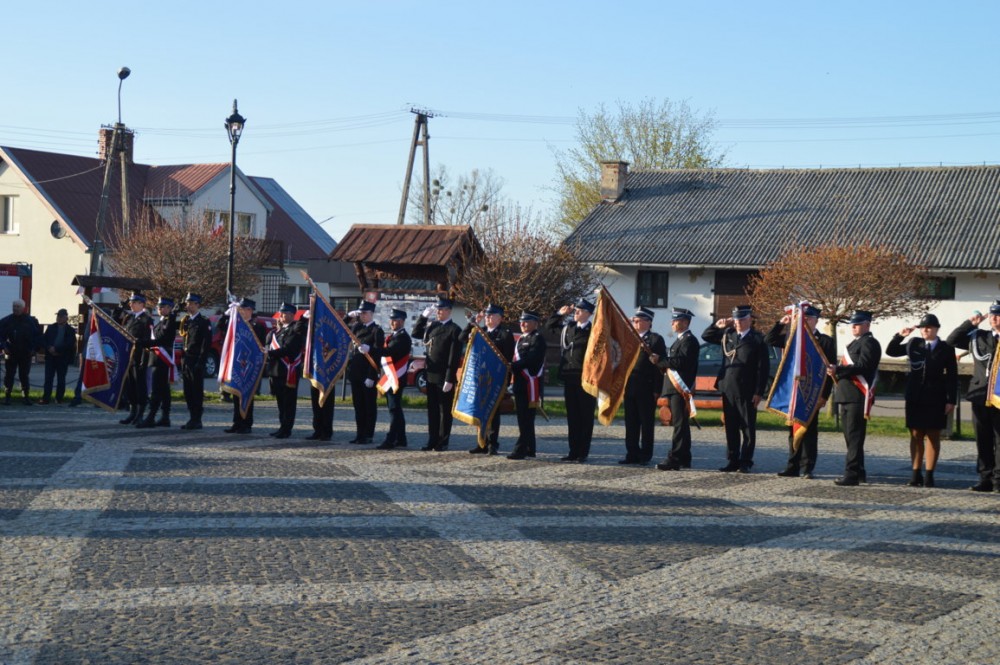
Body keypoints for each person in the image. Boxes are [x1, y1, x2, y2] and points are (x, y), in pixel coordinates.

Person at [764, 305, 836, 479]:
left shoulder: (825, 341)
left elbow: (829, 371)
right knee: (793, 430)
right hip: (794, 393)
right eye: (802, 318)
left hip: (813, 393)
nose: (804, 321)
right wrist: (781, 323)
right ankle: (792, 466)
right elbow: (769, 339)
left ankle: (807, 467)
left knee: (810, 432)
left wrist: (824, 396)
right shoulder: (793, 338)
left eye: (808, 318)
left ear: (815, 320)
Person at [886, 314, 957, 488]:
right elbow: (891, 351)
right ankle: (915, 473)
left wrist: (951, 400)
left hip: (936, 396)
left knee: (933, 435)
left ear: (936, 329)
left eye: (929, 327)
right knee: (916, 434)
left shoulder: (946, 348)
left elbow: (952, 376)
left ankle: (929, 475)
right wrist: (900, 336)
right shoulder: (914, 343)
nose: (925, 330)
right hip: (915, 395)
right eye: (923, 327)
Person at [702, 305, 770, 473]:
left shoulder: (757, 339)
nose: (738, 322)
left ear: (749, 320)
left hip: (747, 389)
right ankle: (732, 460)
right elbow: (706, 336)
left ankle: (746, 461)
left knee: (747, 427)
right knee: (731, 426)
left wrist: (759, 392)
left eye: (741, 319)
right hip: (728, 387)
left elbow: (763, 368)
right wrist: (717, 325)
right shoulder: (728, 334)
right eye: (736, 319)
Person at [946, 300, 1000, 492]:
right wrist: (970, 323)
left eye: (998, 315)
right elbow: (951, 341)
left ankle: (998, 480)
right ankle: (985, 478)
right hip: (980, 395)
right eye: (992, 315)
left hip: (999, 397)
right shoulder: (979, 336)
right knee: (982, 438)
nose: (994, 318)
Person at [829, 310, 882, 486]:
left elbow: (864, 366)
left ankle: (851, 474)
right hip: (847, 395)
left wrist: (839, 370)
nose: (853, 327)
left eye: (857, 324)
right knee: (850, 437)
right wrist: (836, 370)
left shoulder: (870, 343)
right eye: (852, 324)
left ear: (867, 324)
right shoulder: (854, 343)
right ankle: (859, 471)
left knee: (854, 437)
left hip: (857, 396)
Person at [546, 299, 596, 463]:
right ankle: (573, 451)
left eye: (580, 310)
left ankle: (583, 452)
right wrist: (560, 314)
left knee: (585, 417)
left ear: (588, 313)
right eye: (576, 310)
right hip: (570, 377)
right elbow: (550, 327)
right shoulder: (569, 328)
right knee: (573, 417)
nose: (576, 313)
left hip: (586, 379)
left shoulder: (594, 331)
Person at [462, 303, 515, 455]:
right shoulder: (481, 331)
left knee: (493, 411)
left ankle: (493, 444)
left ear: (499, 318)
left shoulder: (505, 334)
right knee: (480, 410)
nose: (487, 317)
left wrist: (506, 380)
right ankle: (481, 442)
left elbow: (507, 359)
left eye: (491, 315)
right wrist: (473, 323)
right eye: (486, 315)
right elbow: (461, 338)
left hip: (496, 378)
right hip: (480, 378)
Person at [651, 308, 700, 471]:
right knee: (681, 423)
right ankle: (685, 456)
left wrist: (660, 360)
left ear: (685, 322)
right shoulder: (680, 340)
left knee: (679, 424)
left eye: (675, 320)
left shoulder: (689, 341)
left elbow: (681, 362)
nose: (672, 323)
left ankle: (675, 457)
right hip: (674, 387)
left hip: (681, 388)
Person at [412, 297, 463, 451]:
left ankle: (443, 441)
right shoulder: (433, 326)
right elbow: (416, 333)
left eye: (441, 310)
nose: (438, 312)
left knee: (444, 411)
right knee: (432, 410)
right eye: (438, 310)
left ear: (449, 311)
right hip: (431, 375)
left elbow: (454, 356)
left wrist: (449, 378)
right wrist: (423, 317)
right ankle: (432, 440)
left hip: (444, 376)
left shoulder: (454, 329)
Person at [620, 307, 667, 465]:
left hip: (646, 387)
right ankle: (631, 453)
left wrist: (657, 389)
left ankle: (645, 455)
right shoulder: (630, 338)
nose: (635, 323)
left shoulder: (655, 339)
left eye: (638, 320)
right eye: (634, 320)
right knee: (631, 422)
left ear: (648, 322)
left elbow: (659, 367)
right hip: (630, 386)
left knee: (646, 423)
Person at [507, 311, 547, 460]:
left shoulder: (538, 339)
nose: (522, 324)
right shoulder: (521, 339)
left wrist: (512, 366)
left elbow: (531, 359)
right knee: (523, 418)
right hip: (520, 383)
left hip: (530, 384)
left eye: (526, 321)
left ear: (535, 323)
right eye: (521, 321)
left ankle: (520, 450)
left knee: (526, 419)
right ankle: (530, 448)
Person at [224, 299, 268, 434]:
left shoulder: (257, 326)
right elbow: (222, 328)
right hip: (238, 364)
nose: (242, 311)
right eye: (240, 309)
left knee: (248, 395)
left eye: (244, 309)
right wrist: (228, 314)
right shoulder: (236, 324)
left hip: (250, 366)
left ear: (250, 310)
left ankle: (247, 424)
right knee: (236, 394)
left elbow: (259, 347)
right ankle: (237, 422)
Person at [373, 308, 413, 449]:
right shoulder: (393, 336)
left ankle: (391, 439)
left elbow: (389, 352)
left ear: (402, 321)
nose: (392, 322)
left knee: (394, 410)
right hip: (390, 377)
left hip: (396, 378)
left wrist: (371, 349)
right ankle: (401, 439)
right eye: (391, 320)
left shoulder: (403, 338)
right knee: (395, 409)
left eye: (395, 320)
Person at [136, 297, 178, 428]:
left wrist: (144, 343)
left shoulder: (169, 321)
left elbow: (162, 340)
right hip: (156, 358)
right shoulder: (160, 321)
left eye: (163, 307)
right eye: (159, 307)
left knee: (156, 389)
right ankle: (165, 417)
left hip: (162, 359)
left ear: (169, 308)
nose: (160, 309)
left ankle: (151, 417)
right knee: (164, 389)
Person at [266, 303, 305, 439]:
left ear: (292, 315)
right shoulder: (278, 331)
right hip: (276, 371)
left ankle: (287, 428)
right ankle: (282, 426)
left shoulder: (295, 330)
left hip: (288, 372)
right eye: (281, 313)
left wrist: (270, 353)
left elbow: (288, 349)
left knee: (288, 403)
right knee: (280, 402)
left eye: (285, 313)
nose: (281, 315)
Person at [347, 301, 383, 444]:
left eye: (365, 313)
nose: (362, 315)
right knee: (358, 406)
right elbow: (344, 329)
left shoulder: (376, 330)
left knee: (369, 406)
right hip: (356, 373)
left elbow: (378, 353)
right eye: (361, 313)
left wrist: (371, 376)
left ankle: (368, 435)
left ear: (371, 314)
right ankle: (359, 433)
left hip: (367, 374)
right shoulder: (357, 327)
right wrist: (348, 317)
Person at [0, 298, 43, 405]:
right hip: (11, 352)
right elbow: (1, 336)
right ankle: (7, 397)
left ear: (23, 308)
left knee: (24, 375)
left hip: (26, 352)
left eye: (18, 306)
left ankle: (25, 397)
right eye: (14, 306)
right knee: (9, 375)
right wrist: (4, 346)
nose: (15, 308)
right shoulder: (6, 321)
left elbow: (38, 336)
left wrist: (34, 349)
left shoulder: (31, 321)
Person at [119, 293, 153, 424]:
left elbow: (148, 340)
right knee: (130, 386)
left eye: (134, 302)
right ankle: (132, 412)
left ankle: (140, 413)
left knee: (140, 386)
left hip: (140, 357)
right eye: (131, 302)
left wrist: (144, 357)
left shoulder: (146, 320)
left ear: (141, 304)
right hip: (129, 357)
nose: (131, 304)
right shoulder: (130, 318)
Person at [179, 293, 212, 430]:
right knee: (187, 391)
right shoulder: (186, 321)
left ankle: (197, 419)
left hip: (196, 359)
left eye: (192, 303)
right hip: (187, 359)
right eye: (188, 303)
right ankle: (192, 417)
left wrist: (201, 362)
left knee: (196, 391)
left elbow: (206, 344)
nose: (189, 306)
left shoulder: (203, 321)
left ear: (198, 305)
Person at [304, 310, 336, 443]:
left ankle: (326, 431)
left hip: (328, 372)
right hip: (315, 370)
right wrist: (303, 319)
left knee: (327, 404)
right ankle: (317, 430)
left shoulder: (331, 330)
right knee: (315, 404)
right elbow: (300, 332)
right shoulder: (313, 329)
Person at [40, 308, 77, 404]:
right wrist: (49, 348)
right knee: (48, 378)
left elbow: (70, 344)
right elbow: (44, 339)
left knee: (61, 379)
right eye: (58, 316)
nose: (59, 318)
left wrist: (57, 349)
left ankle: (59, 398)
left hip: (62, 357)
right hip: (50, 357)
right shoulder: (51, 327)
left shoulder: (70, 330)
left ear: (66, 318)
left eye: (61, 316)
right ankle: (46, 398)